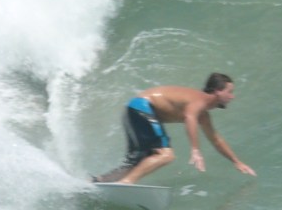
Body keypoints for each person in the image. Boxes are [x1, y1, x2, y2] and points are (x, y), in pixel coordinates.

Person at [93, 72, 256, 184]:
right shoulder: (200, 99)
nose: (232, 96)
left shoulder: (204, 115)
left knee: (138, 162)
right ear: (217, 91)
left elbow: (216, 139)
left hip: (133, 109)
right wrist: (195, 150)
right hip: (143, 107)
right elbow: (189, 117)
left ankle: (98, 181)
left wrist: (236, 162)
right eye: (229, 92)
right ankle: (126, 183)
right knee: (166, 155)